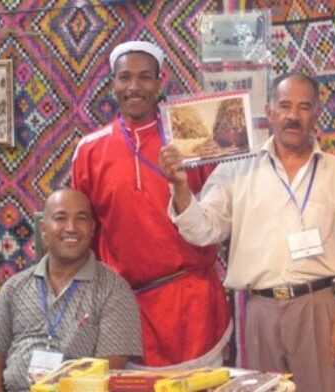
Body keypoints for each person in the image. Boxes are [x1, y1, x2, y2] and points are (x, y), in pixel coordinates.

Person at [159, 72, 335, 391]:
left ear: (316, 113)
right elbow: (204, 230)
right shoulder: (236, 168)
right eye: (284, 106)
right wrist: (180, 187)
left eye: (303, 107)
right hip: (260, 313)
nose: (293, 116)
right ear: (269, 112)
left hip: (322, 307)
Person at [70, 41, 231, 368]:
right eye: (124, 77)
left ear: (160, 82)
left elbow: (219, 215)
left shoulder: (193, 137)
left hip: (195, 302)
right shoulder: (90, 150)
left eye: (144, 77)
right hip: (126, 306)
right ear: (112, 83)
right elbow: (83, 234)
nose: (134, 87)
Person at [0, 189, 142, 392]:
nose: (71, 228)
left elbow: (108, 373)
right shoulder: (14, 287)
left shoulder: (114, 290)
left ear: (92, 228)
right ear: (43, 229)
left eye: (81, 218)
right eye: (60, 218)